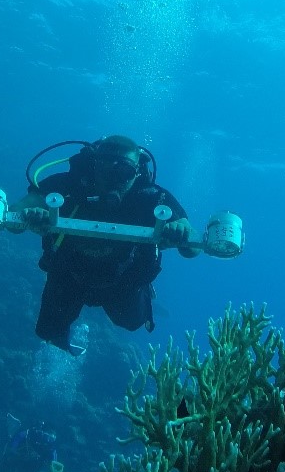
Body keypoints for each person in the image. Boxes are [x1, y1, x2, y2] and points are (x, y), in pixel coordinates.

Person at [14, 135, 200, 354]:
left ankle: (145, 294)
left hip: (124, 279)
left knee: (131, 323)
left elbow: (193, 248)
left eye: (124, 171)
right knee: (48, 332)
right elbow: (16, 215)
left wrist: (181, 233)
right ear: (93, 164)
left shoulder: (153, 198)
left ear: (137, 172)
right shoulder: (65, 186)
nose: (112, 178)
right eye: (104, 166)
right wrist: (29, 215)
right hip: (68, 273)